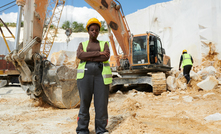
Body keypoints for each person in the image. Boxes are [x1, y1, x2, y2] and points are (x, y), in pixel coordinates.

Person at [76, 18, 112, 134]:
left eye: (96, 30)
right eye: (92, 30)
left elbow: (105, 57)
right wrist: (98, 54)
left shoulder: (104, 44)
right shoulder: (82, 44)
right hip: (84, 77)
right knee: (84, 103)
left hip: (100, 77)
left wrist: (88, 56)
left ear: (98, 32)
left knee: (101, 104)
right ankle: (82, 130)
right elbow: (80, 55)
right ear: (88, 30)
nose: (94, 32)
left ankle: (101, 130)